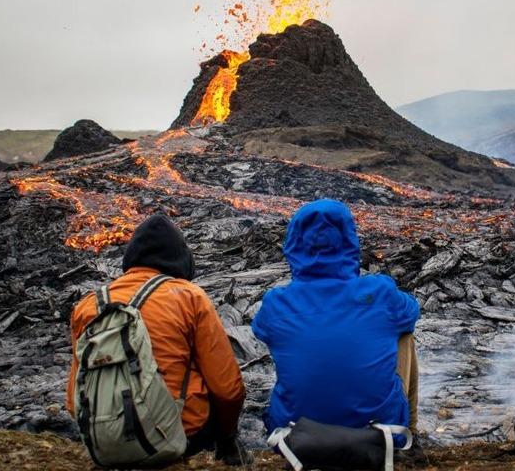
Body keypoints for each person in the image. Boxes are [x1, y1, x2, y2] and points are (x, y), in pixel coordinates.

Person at [66, 215, 248, 465]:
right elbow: (227, 389)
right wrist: (228, 436)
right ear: (181, 258)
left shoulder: (88, 305)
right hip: (180, 435)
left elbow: (73, 399)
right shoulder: (189, 297)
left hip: (105, 438)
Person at [251, 199, 424, 459]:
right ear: (349, 240)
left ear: (294, 244)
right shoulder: (380, 292)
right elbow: (412, 312)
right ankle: (409, 436)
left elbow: (261, 330)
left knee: (293, 343)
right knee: (404, 334)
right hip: (377, 433)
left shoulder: (277, 303)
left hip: (294, 434)